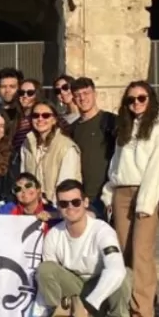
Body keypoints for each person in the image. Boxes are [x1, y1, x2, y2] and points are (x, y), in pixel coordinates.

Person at [101, 81, 159, 317]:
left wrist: (146, 202)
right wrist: (109, 193)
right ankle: (123, 307)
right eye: (131, 99)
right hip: (122, 192)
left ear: (151, 99)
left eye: (141, 98)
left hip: (145, 192)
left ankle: (143, 314)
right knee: (123, 252)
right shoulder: (125, 129)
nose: (136, 103)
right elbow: (116, 163)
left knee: (141, 254)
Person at [34, 180, 136, 317]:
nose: (70, 208)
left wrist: (91, 303)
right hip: (75, 288)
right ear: (58, 207)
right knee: (45, 268)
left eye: (75, 202)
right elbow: (46, 279)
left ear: (86, 202)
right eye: (64, 204)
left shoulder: (102, 230)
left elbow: (115, 269)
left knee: (124, 274)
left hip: (101, 289)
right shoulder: (54, 235)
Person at [67, 77, 116, 218]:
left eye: (86, 93)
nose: (82, 98)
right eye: (77, 95)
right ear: (73, 99)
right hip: (83, 197)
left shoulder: (111, 121)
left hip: (108, 194)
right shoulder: (72, 129)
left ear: (95, 94)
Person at [22, 103, 81, 203]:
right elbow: (24, 180)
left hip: (58, 206)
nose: (40, 119)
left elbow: (66, 185)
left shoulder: (66, 147)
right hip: (32, 206)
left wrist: (52, 207)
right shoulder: (27, 144)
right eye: (35, 115)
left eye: (46, 115)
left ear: (54, 120)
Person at [10, 78, 42, 151]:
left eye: (30, 93)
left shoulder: (42, 117)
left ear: (37, 95)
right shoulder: (15, 119)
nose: (25, 96)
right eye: (21, 92)